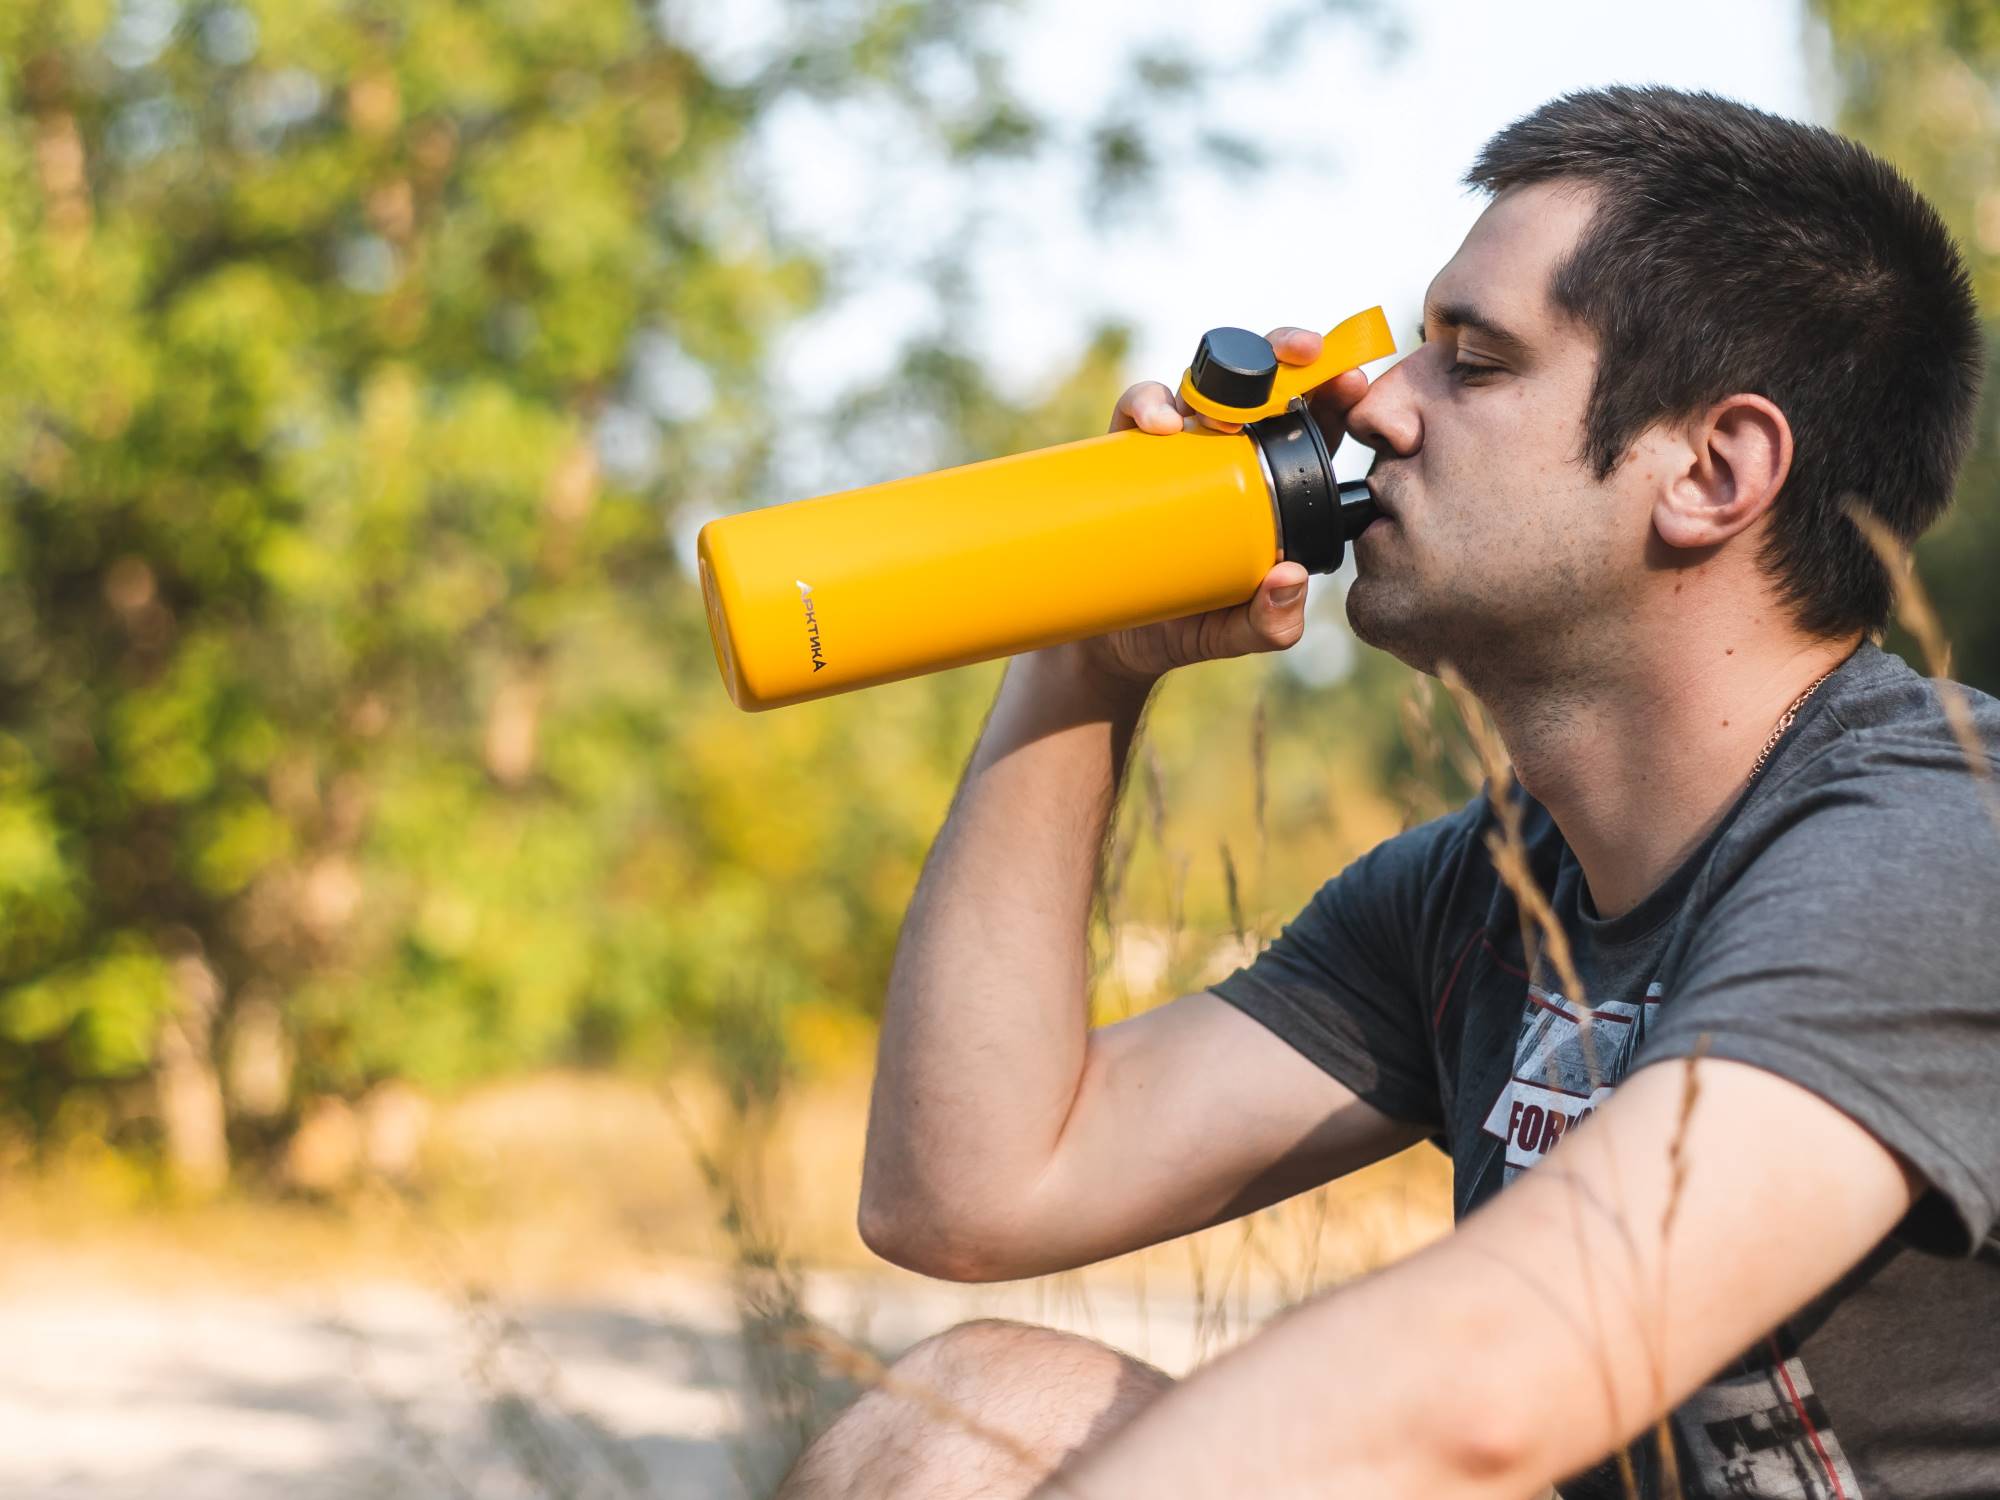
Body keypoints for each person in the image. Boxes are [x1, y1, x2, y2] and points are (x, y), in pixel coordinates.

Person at [776, 84, 1997, 1500]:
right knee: (970, 1422)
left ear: (1712, 472)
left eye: (1472, 363)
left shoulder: (1933, 851)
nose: (1376, 404)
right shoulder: (1489, 893)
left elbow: (1490, 1388)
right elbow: (968, 1190)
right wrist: (1086, 650)